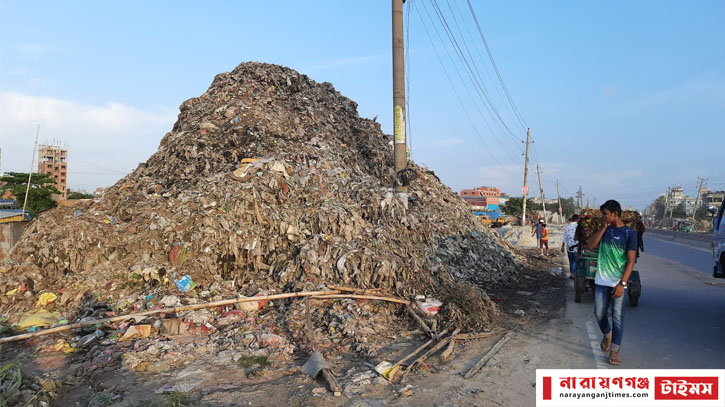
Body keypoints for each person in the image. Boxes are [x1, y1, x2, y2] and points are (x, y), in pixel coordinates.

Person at [585, 200, 637, 365]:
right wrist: (603, 227)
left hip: (618, 282)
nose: (603, 217)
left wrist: (622, 284)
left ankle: (614, 351)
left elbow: (631, 261)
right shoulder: (604, 230)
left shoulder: (629, 234)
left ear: (614, 214)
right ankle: (607, 335)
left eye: (605, 214)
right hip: (602, 281)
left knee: (617, 318)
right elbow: (591, 245)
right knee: (599, 314)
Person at [561, 214, 580, 279]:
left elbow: (565, 237)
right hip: (577, 247)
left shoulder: (567, 226)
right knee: (576, 260)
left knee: (571, 260)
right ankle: (575, 274)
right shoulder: (579, 226)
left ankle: (572, 274)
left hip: (569, 247)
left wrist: (562, 246)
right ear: (578, 219)